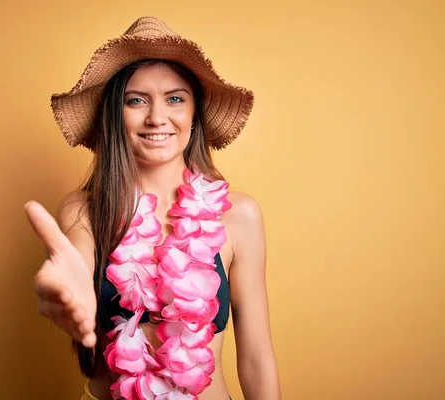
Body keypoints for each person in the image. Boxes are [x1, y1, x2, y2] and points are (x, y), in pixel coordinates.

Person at [25, 16, 281, 400]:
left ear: (195, 115)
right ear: (116, 115)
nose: (157, 118)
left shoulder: (238, 214)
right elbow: (74, 265)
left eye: (175, 98)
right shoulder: (84, 211)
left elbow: (257, 357)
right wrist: (64, 288)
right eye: (136, 100)